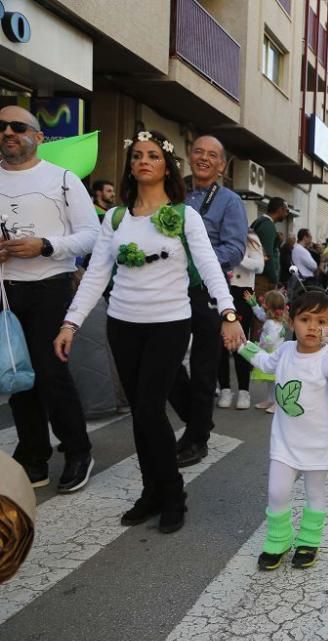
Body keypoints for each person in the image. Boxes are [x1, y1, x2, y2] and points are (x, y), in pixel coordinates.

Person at [54, 128, 244, 533]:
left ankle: (172, 493)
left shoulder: (185, 216)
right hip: (123, 325)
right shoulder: (115, 217)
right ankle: (151, 491)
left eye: (153, 155)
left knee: (146, 407)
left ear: (166, 166)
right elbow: (96, 276)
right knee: (144, 415)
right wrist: (71, 322)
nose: (143, 160)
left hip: (170, 324)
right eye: (137, 155)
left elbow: (210, 267)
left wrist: (229, 314)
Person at [237, 291, 328, 569]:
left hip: (317, 444)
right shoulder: (284, 351)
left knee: (315, 493)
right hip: (284, 441)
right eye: (305, 319)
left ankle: (309, 540)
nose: (313, 327)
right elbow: (266, 363)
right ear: (292, 322)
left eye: (321, 321)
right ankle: (278, 539)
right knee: (277, 492)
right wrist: (242, 345)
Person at [0, 105, 99, 492]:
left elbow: (92, 234)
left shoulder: (62, 179)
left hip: (49, 285)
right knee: (17, 374)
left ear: (38, 136)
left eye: (18, 126)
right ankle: (33, 455)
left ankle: (77, 450)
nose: (8, 132)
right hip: (5, 290)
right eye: (2, 126)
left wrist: (46, 245)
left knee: (50, 372)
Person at [170, 135, 247, 468]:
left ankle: (196, 437)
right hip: (169, 288)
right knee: (166, 362)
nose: (203, 158)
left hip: (208, 291)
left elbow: (234, 249)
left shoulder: (229, 201)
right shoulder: (173, 192)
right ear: (189, 156)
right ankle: (198, 418)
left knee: (203, 368)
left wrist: (194, 259)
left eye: (211, 155)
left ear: (221, 165)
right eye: (198, 151)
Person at [217, 229, 263, 411]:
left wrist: (236, 257)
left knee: (241, 343)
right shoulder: (218, 236)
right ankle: (225, 389)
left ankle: (244, 390)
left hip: (243, 292)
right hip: (221, 290)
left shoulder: (251, 238)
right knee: (220, 343)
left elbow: (260, 266)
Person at [244, 289, 288, 412]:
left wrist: (261, 344)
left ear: (270, 305)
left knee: (275, 380)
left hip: (272, 353)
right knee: (271, 380)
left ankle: (277, 403)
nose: (262, 302)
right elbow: (260, 314)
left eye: (265, 301)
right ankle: (270, 399)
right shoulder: (271, 319)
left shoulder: (271, 323)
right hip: (272, 353)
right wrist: (253, 304)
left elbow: (271, 339)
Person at [252, 197, 288, 295]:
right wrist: (274, 279)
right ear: (280, 210)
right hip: (263, 279)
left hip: (260, 276)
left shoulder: (261, 222)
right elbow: (267, 255)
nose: (286, 214)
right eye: (286, 211)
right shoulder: (267, 226)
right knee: (264, 309)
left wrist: (277, 243)